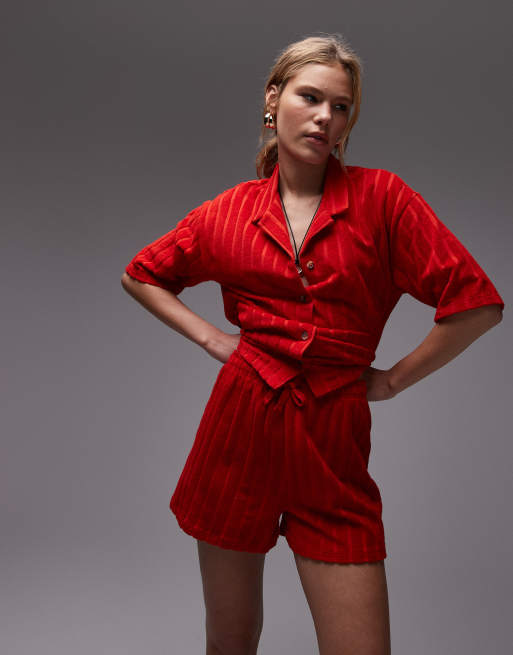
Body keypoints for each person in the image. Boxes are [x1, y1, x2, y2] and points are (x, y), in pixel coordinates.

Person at [121, 34, 504, 655]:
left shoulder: (384, 201)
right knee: (230, 641)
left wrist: (392, 379)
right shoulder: (228, 212)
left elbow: (477, 303)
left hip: (332, 445)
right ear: (273, 99)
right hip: (237, 434)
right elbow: (142, 274)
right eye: (310, 97)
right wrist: (214, 340)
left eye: (341, 106)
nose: (326, 117)